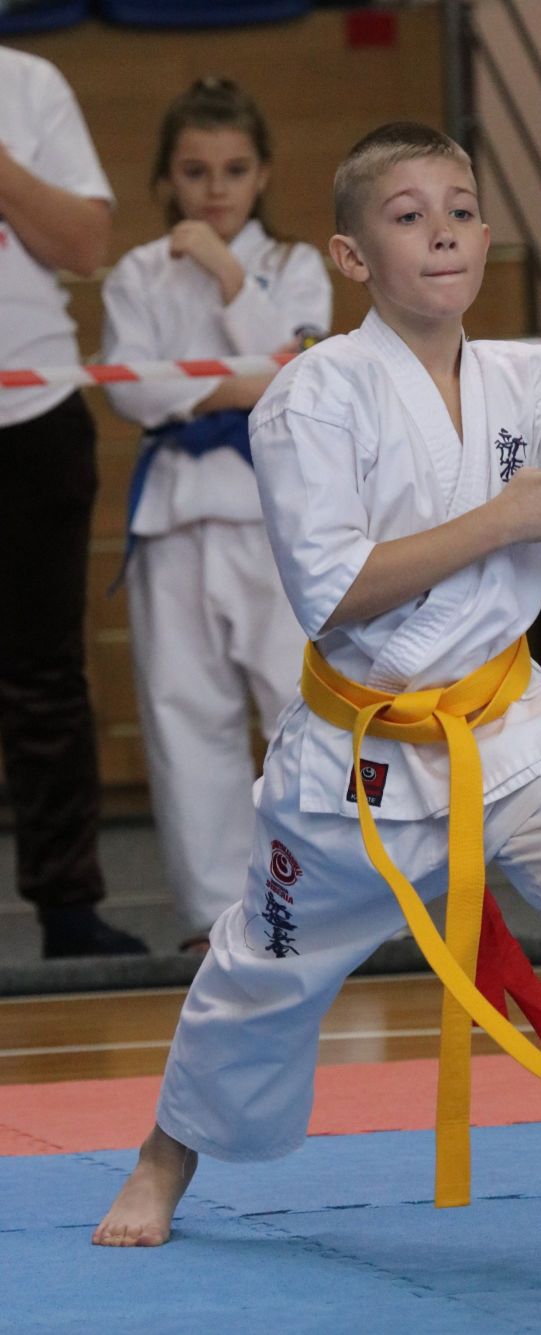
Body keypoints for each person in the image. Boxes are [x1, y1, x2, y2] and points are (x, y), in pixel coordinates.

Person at [93, 122, 541, 1279]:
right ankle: (164, 1155)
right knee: (262, 974)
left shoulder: (532, 379)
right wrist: (500, 519)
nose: (440, 233)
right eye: (407, 217)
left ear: (486, 239)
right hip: (361, 760)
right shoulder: (309, 396)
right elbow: (334, 592)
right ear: (351, 257)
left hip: (513, 734)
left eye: (457, 211)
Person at [102, 79, 332, 949]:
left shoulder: (297, 264)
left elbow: (299, 371)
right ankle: (215, 915)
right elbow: (131, 390)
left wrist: (229, 276)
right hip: (173, 515)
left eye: (234, 170)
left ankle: (322, 899)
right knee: (183, 713)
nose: (215, 189)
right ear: (167, 177)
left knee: (300, 706)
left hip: (275, 518)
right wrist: (235, 383)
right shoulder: (137, 271)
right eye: (195, 171)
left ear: (263, 172)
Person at [0, 44, 148, 960]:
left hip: (33, 413)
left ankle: (68, 908)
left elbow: (86, 247)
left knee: (45, 674)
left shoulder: (29, 84)